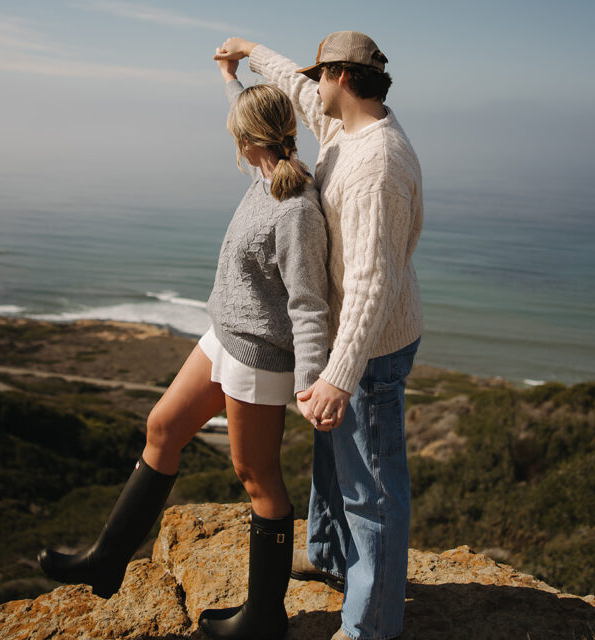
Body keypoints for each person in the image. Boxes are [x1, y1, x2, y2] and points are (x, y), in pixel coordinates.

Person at [38, 51, 329, 640]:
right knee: (163, 427)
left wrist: (310, 382)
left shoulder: (295, 208)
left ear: (248, 140)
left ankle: (264, 618)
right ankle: (106, 561)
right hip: (222, 336)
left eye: (236, 132)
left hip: (258, 357)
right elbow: (246, 113)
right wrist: (230, 78)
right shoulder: (267, 173)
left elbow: (308, 302)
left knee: (257, 477)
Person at [214, 31, 424, 640]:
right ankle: (331, 556)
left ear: (343, 77)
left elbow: (372, 284)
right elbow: (297, 89)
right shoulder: (345, 127)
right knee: (334, 464)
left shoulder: (377, 166)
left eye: (320, 75)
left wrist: (339, 374)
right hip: (350, 337)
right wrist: (250, 52)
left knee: (371, 491)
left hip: (373, 346)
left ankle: (370, 626)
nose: (311, 88)